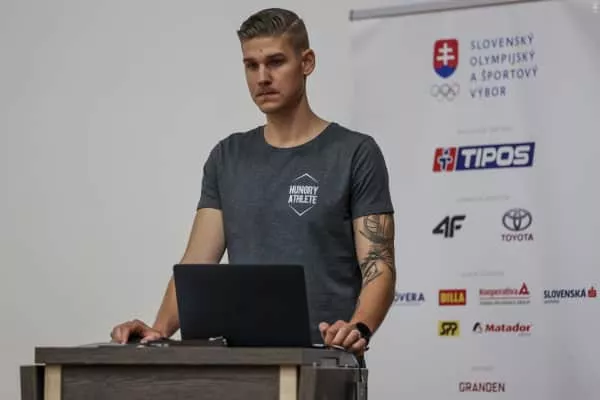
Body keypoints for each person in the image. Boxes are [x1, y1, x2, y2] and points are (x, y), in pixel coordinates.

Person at [110, 7, 396, 356]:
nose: (262, 77)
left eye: (276, 62)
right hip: (242, 365)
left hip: (325, 359)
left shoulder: (355, 152)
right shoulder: (227, 156)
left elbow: (379, 266)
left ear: (306, 62)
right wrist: (158, 331)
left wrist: (358, 327)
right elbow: (196, 263)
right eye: (251, 65)